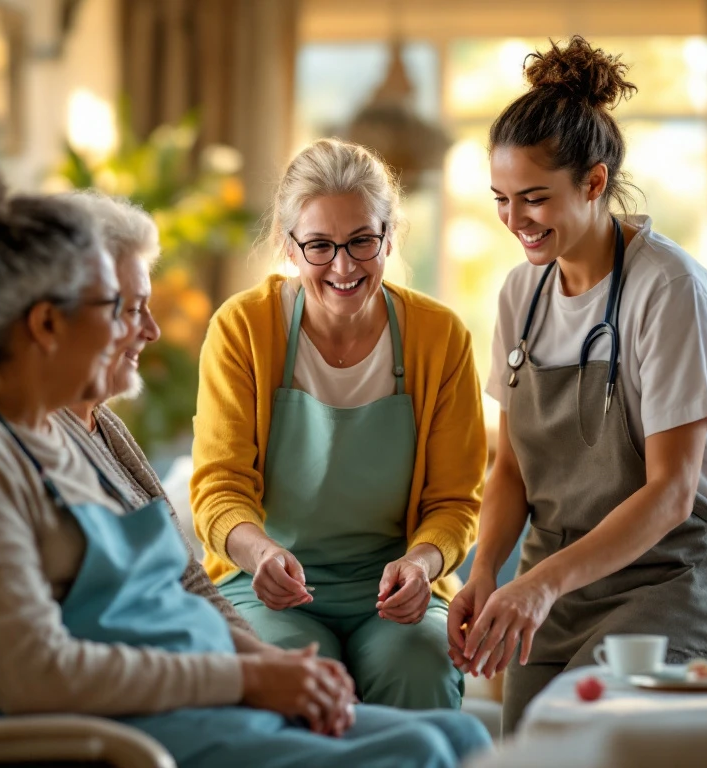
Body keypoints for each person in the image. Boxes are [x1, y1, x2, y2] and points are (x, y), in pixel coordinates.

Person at [0, 153, 492, 767]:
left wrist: (259, 670)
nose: (151, 332)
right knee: (427, 752)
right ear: (47, 325)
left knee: (459, 736)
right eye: (124, 308)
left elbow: (181, 583)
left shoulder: (65, 427)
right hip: (121, 727)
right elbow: (33, 674)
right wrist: (245, 675)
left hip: (187, 699)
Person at [446, 36, 707, 735]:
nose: (514, 222)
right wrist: (487, 574)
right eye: (500, 200)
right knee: (534, 742)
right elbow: (510, 468)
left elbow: (673, 492)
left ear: (593, 182)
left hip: (666, 575)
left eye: (534, 199)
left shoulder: (669, 289)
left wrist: (543, 584)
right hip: (552, 579)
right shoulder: (518, 294)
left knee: (599, 736)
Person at [191, 138, 487, 711]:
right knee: (292, 679)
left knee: (420, 668)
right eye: (320, 246)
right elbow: (218, 488)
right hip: (268, 591)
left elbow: (455, 502)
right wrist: (259, 555)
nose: (344, 266)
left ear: (389, 237)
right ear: (287, 245)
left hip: (398, 592)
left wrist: (422, 564)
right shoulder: (243, 329)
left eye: (361, 242)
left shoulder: (440, 337)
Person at [51, 190, 264, 645]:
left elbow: (194, 583)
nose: (152, 330)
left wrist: (277, 664)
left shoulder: (107, 427)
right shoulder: (31, 443)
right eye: (131, 310)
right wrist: (257, 679)